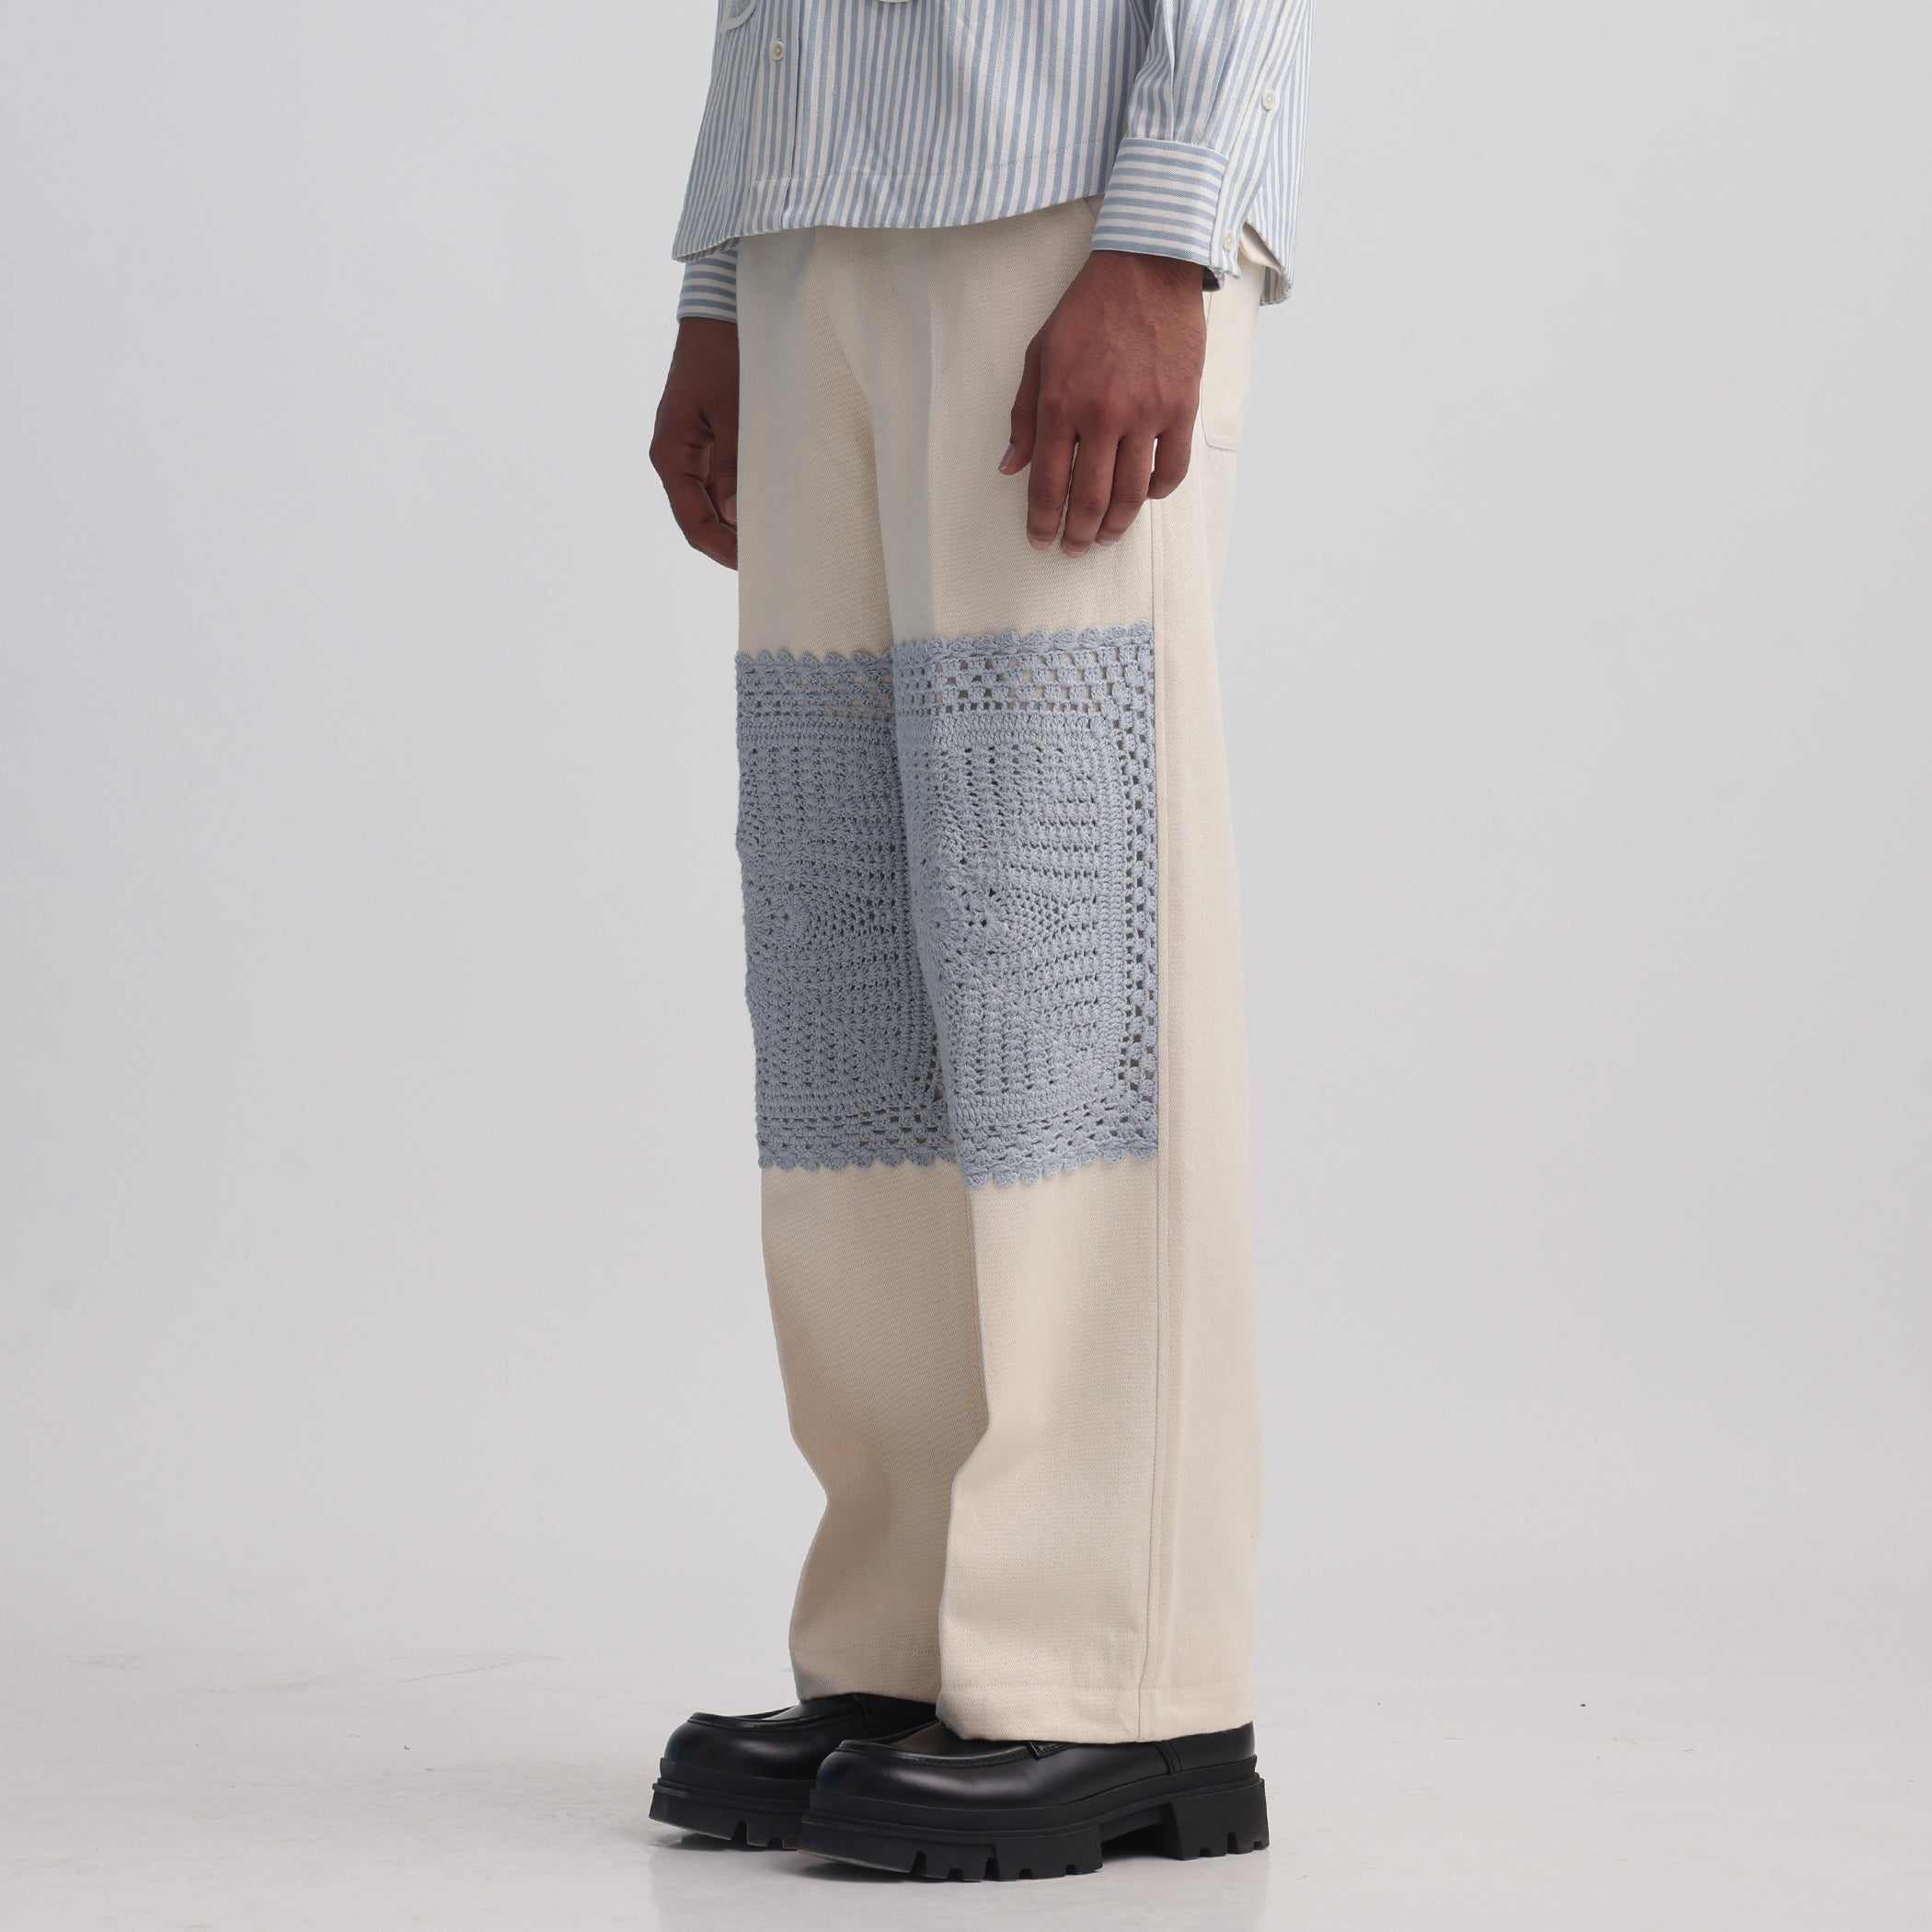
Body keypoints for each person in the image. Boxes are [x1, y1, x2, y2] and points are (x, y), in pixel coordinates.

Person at [646, 0, 1310, 1883]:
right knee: (851, 978)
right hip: (815, 217)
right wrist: (723, 270)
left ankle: (1118, 1669)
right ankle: (911, 1633)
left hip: (1062, 206)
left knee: (1063, 979)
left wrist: (1166, 231)